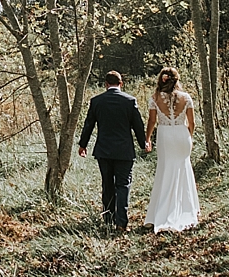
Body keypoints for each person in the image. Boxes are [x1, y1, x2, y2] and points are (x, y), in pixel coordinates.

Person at [78, 71, 150, 232]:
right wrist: (143, 143)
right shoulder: (130, 101)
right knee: (123, 185)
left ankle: (108, 219)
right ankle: (121, 223)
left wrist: (83, 145)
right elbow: (138, 125)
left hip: (104, 150)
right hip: (124, 151)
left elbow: (88, 124)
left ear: (106, 84)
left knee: (107, 184)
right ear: (121, 83)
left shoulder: (96, 101)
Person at [143, 67, 200, 233]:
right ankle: (187, 209)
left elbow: (152, 121)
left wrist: (147, 138)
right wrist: (187, 135)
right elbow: (192, 123)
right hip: (182, 135)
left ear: (162, 79)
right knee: (184, 168)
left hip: (165, 135)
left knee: (165, 169)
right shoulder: (186, 97)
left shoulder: (155, 99)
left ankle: (161, 212)